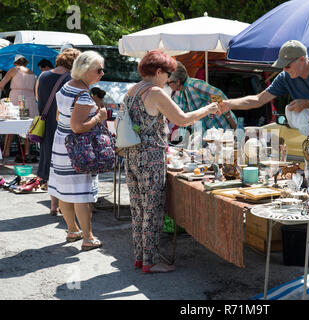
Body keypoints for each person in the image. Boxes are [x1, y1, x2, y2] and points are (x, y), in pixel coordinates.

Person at [220, 40, 309, 265]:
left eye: (288, 66)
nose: (284, 70)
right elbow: (258, 99)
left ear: (302, 60)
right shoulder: (286, 77)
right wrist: (228, 104)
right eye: (283, 67)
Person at [123, 50, 219, 273]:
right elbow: (182, 119)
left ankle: (141, 257)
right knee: (154, 210)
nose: (169, 78)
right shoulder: (155, 92)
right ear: (158, 71)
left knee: (138, 209)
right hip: (151, 158)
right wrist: (208, 109)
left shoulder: (132, 90)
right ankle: (152, 261)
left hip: (131, 155)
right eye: (168, 73)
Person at [48, 51, 107, 251]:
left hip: (61, 144)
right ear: (85, 70)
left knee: (64, 190)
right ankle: (88, 237)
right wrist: (99, 117)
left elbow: (59, 118)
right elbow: (78, 127)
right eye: (98, 70)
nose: (102, 73)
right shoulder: (83, 95)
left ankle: (72, 229)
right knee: (81, 195)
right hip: (77, 148)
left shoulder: (67, 87)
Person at [35, 48, 81, 215]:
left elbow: (38, 99)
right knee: (64, 166)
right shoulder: (71, 79)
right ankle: (64, 205)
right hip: (64, 126)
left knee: (51, 164)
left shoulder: (43, 76)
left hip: (46, 125)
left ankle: (54, 205)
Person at [167, 61, 237, 133]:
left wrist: (233, 124)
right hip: (202, 136)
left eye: (168, 83)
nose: (167, 85)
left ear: (178, 81)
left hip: (219, 130)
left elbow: (221, 99)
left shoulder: (195, 85)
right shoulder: (178, 93)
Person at [0, 54, 37, 159]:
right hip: (30, 98)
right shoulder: (32, 72)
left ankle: (6, 151)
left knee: (11, 123)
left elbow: (1, 84)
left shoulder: (13, 70)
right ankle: (27, 152)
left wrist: (3, 90)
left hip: (16, 97)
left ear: (15, 63)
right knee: (27, 126)